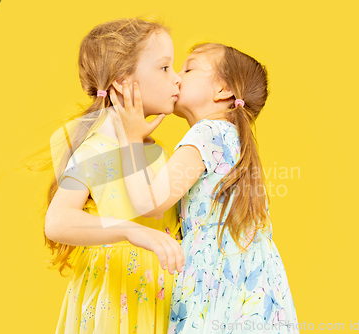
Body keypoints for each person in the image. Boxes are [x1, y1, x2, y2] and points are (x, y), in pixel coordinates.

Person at [107, 43, 299, 333]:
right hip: (254, 289)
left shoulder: (208, 132)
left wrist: (131, 139)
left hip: (217, 282)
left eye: (188, 68)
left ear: (223, 90)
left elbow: (150, 202)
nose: (176, 77)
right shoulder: (233, 136)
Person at [44, 17, 186, 334]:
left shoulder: (154, 149)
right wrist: (128, 230)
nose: (177, 79)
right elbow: (57, 221)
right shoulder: (98, 151)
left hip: (158, 296)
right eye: (165, 68)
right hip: (116, 301)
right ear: (123, 81)